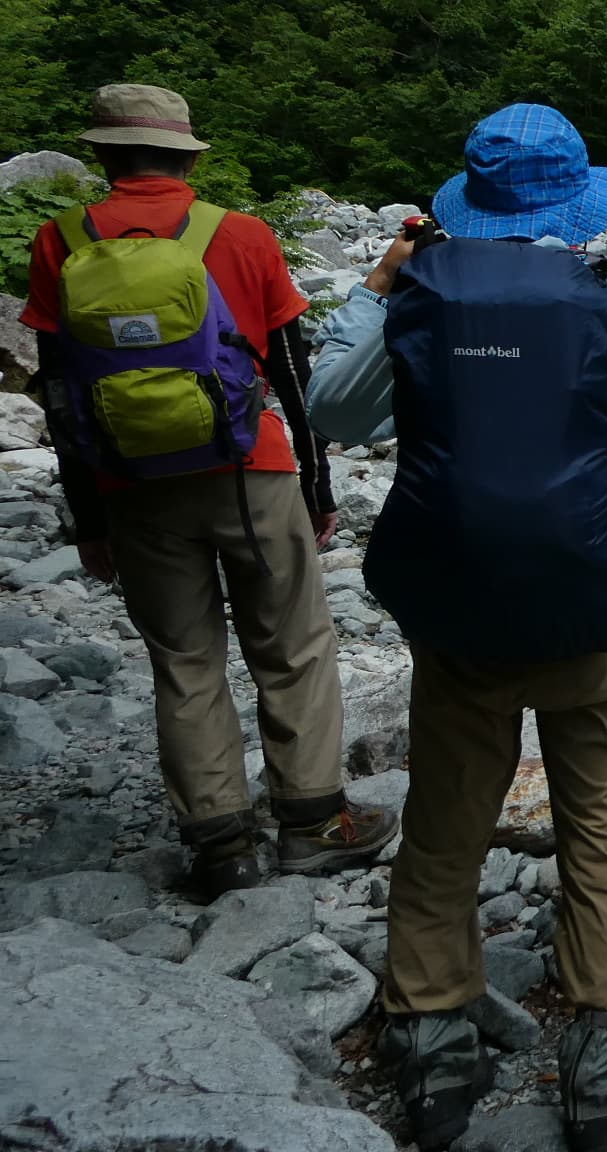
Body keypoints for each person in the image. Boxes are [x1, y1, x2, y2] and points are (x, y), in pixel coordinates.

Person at [306, 104, 607, 1152]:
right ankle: (601, 1071)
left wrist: (375, 286)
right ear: (580, 207)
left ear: (469, 204)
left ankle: (433, 1048)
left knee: (446, 821)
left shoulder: (421, 298)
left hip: (458, 612)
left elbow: (327, 411)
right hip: (597, 609)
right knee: (603, 823)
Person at [19, 83, 397, 898]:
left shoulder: (60, 240)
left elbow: (59, 390)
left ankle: (222, 846)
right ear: (185, 158)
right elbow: (291, 370)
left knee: (185, 661)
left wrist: (89, 517)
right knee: (293, 647)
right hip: (248, 471)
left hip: (131, 483)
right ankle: (312, 821)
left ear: (103, 155)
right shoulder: (240, 234)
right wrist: (317, 485)